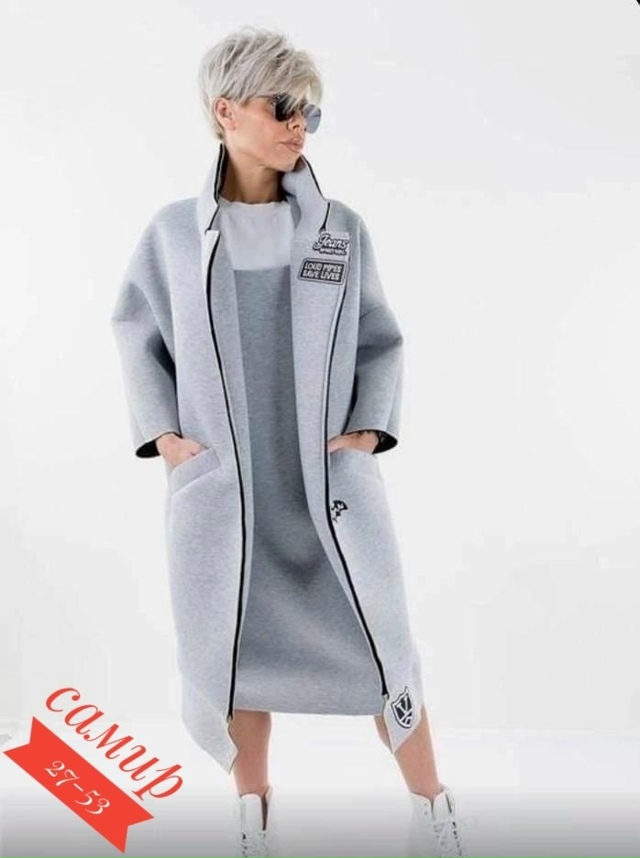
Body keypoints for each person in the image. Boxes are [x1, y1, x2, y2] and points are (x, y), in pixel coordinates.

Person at [111, 25, 469, 858]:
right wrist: (165, 437)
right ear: (225, 112)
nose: (299, 124)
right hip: (226, 490)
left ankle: (435, 809)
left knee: (384, 651)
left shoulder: (339, 228)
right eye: (282, 106)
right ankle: (254, 818)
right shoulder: (172, 235)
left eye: (309, 110)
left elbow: (379, 337)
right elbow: (136, 333)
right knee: (235, 652)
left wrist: (368, 429)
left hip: (324, 486)